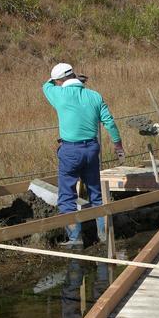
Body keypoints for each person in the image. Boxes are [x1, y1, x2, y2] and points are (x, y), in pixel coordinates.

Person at [43, 63, 124, 248]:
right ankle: (104, 236)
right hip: (92, 149)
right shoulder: (94, 96)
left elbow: (46, 85)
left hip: (70, 151)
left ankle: (75, 239)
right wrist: (118, 144)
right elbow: (109, 122)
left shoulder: (58, 94)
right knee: (96, 194)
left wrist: (65, 80)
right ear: (73, 76)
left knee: (67, 195)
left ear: (60, 81)